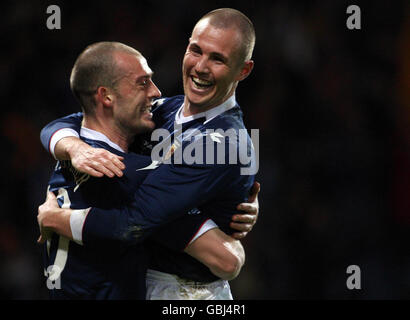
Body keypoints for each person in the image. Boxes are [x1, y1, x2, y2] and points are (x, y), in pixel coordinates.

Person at [38, 8, 259, 300]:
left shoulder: (224, 143)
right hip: (140, 279)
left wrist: (57, 219)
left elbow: (133, 222)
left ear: (243, 70)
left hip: (187, 293)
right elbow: (80, 117)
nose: (201, 67)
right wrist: (74, 147)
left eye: (217, 59)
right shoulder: (164, 109)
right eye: (196, 51)